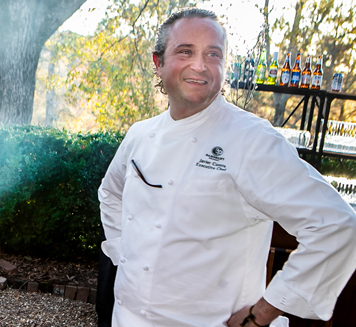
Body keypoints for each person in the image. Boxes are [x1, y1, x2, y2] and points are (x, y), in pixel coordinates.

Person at [98, 7, 356, 327]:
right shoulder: (139, 135)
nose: (199, 65)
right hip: (127, 317)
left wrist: (260, 314)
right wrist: (125, 254)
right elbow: (110, 194)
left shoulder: (252, 140)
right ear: (158, 63)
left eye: (213, 54)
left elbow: (336, 224)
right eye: (185, 51)